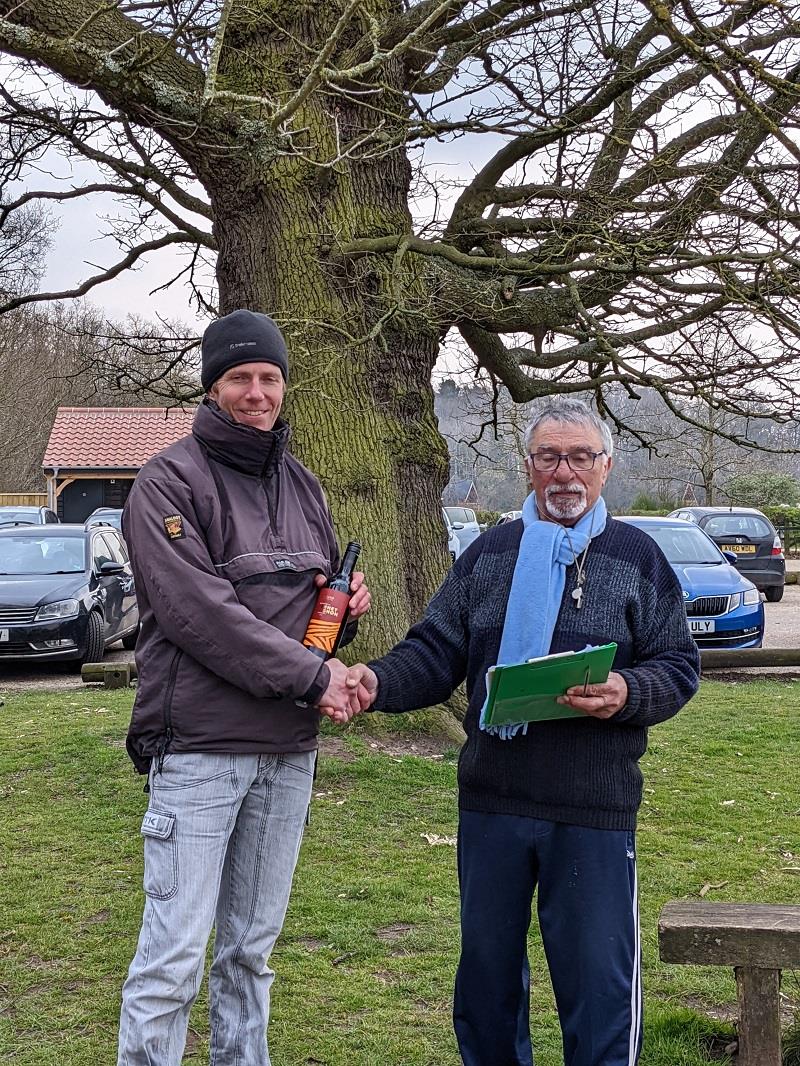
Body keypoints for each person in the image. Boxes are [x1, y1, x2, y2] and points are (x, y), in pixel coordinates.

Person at [346, 398, 700, 1066]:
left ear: (606, 466)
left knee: (599, 993)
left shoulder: (639, 557)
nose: (564, 473)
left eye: (579, 458)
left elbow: (678, 666)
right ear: (528, 466)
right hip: (495, 802)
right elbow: (436, 649)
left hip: (592, 809)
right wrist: (377, 683)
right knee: (486, 992)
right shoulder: (490, 555)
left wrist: (627, 690)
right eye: (548, 457)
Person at [117, 308, 371, 1066]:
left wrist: (344, 615)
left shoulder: (304, 483)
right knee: (172, 965)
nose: (257, 392)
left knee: (250, 956)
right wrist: (316, 676)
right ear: (212, 387)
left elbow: (308, 615)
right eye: (240, 378)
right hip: (199, 750)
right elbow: (204, 617)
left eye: (269, 377)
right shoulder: (167, 481)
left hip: (287, 749)